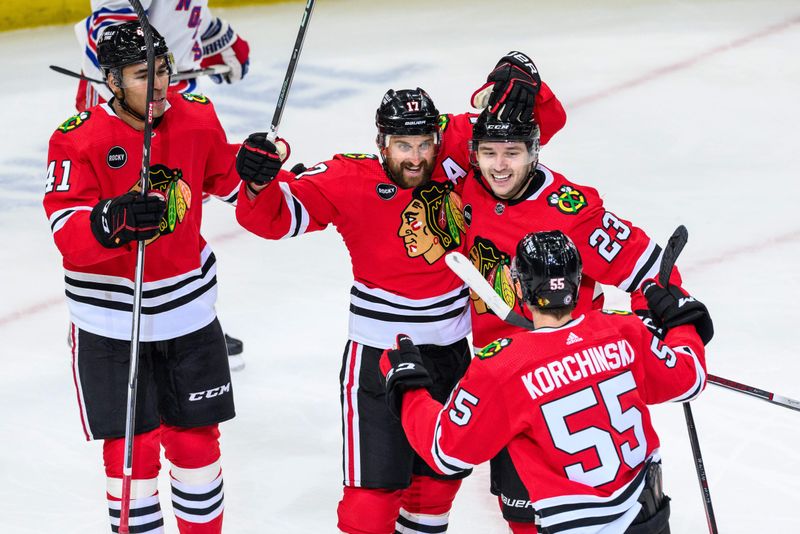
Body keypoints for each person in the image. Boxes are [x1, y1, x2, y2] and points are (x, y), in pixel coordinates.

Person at [234, 53, 566, 534]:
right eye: (401, 145)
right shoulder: (348, 179)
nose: (415, 157)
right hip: (378, 355)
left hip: (453, 353)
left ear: (438, 138)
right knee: (369, 506)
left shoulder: (458, 152)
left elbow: (536, 126)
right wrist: (259, 181)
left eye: (424, 144)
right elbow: (272, 218)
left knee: (434, 490)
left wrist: (528, 87)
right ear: (380, 144)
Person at [380, 230, 714, 534]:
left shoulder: (504, 365)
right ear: (577, 280)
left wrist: (409, 388)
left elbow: (446, 451)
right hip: (649, 518)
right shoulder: (622, 330)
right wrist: (680, 322)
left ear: (519, 286)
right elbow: (689, 378)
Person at [43, 22, 241, 533]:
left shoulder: (197, 119)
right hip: (111, 322)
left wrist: (261, 167)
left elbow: (232, 185)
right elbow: (66, 229)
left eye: (161, 71)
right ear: (111, 81)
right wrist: (108, 222)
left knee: (197, 443)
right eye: (139, 75)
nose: (156, 86)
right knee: (131, 453)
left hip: (188, 311)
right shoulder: (78, 139)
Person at [72, 0, 250, 370]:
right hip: (123, 102)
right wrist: (146, 76)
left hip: (163, 93)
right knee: (125, 217)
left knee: (171, 212)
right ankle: (116, 326)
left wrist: (216, 37)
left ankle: (177, 318)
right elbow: (110, 29)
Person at [74, 0, 250, 111]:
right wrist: (134, 89)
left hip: (174, 88)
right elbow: (113, 26)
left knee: (183, 167)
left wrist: (214, 37)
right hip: (120, 95)